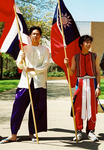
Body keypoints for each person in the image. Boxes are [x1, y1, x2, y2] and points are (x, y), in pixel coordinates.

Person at [0, 26, 50, 143]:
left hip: (39, 83)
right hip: (25, 83)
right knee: (18, 107)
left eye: (37, 34)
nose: (35, 36)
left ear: (40, 36)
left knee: (36, 109)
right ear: (30, 36)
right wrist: (21, 60)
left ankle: (32, 133)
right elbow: (19, 65)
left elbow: (45, 65)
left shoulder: (45, 50)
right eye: (33, 34)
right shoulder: (24, 48)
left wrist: (32, 69)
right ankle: (13, 134)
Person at [64, 35, 100, 142]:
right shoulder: (75, 57)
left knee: (92, 108)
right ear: (81, 44)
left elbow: (98, 72)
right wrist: (67, 65)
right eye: (86, 42)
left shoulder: (94, 56)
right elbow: (71, 72)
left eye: (90, 42)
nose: (88, 44)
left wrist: (98, 86)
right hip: (80, 83)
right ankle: (78, 131)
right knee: (78, 108)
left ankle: (91, 131)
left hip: (92, 82)